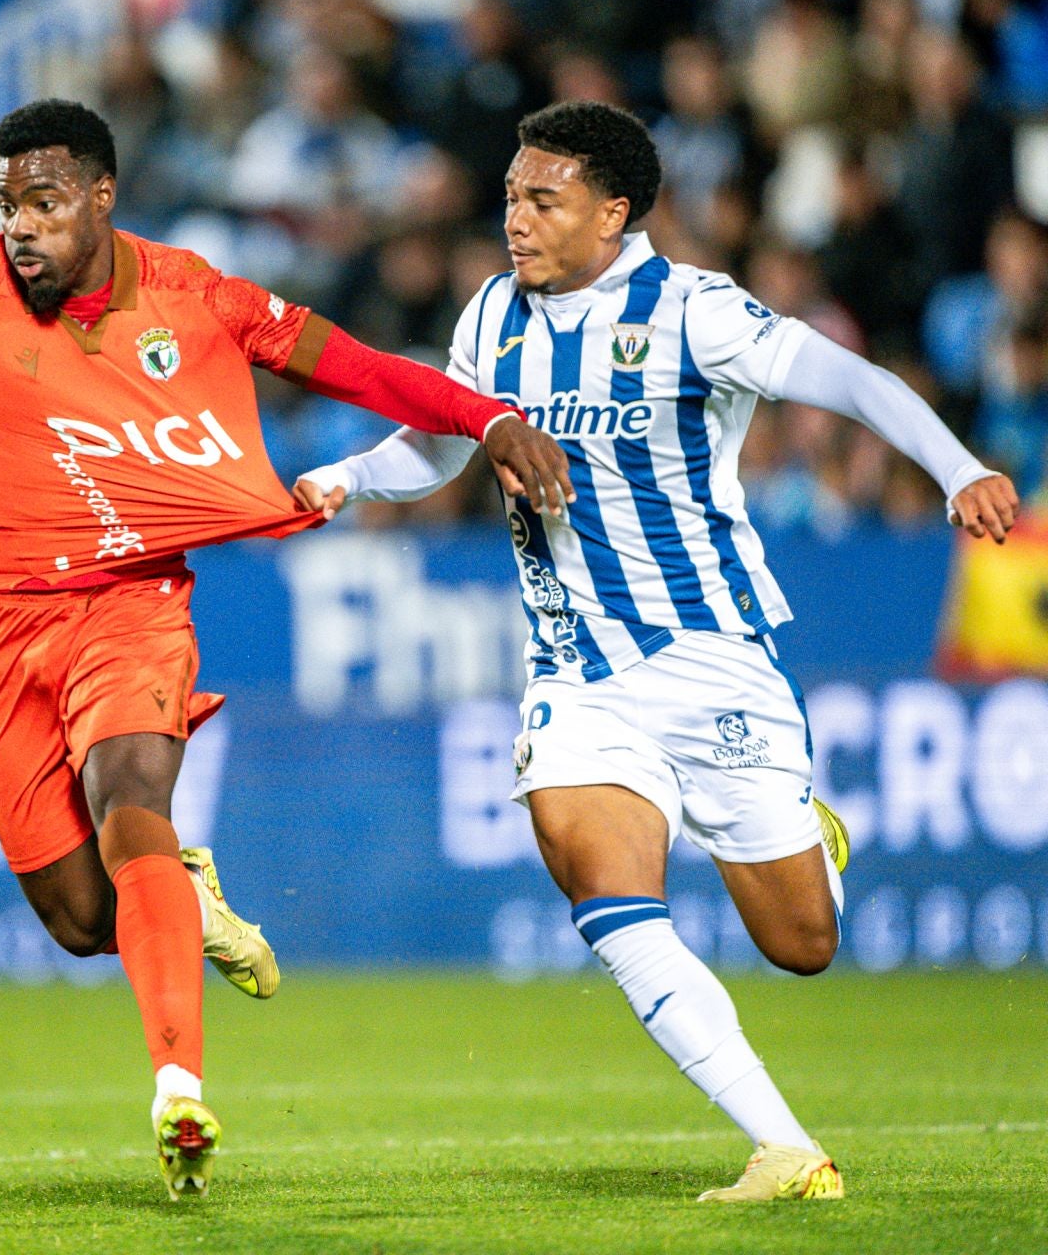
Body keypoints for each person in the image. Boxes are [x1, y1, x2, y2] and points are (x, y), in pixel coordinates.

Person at [295, 100, 1020, 1202]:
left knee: (801, 941)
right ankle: (786, 1146)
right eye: (508, 197)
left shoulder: (694, 311)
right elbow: (441, 440)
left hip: (712, 654)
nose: (516, 221)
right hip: (575, 669)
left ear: (614, 210)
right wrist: (348, 478)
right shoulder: (492, 315)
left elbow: (855, 382)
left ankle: (810, 836)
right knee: (601, 881)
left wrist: (958, 464)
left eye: (544, 199)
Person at [0, 98, 567, 1200]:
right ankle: (182, 889)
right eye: (8, 208)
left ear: (101, 195)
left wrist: (488, 416)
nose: (21, 230)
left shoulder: (195, 296)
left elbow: (361, 369)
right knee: (81, 915)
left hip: (132, 606)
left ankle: (177, 1085)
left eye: (43, 203)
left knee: (131, 793)